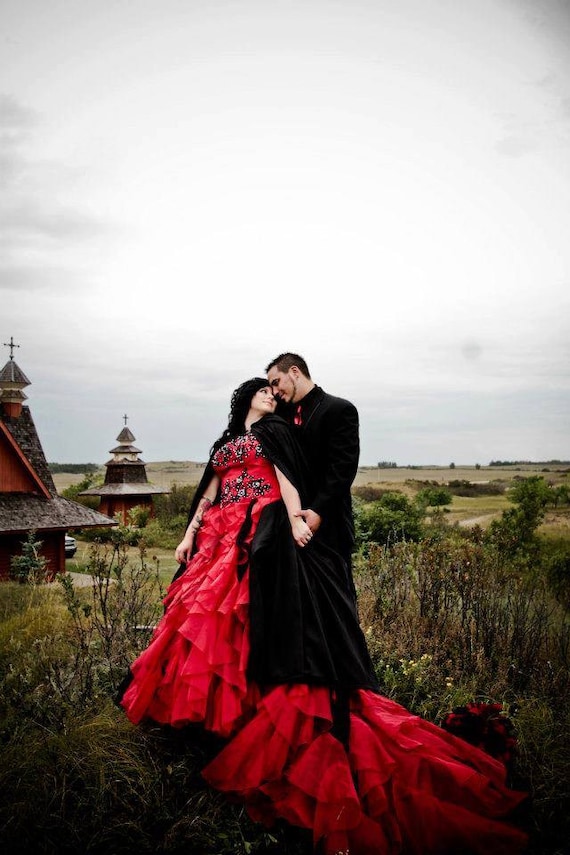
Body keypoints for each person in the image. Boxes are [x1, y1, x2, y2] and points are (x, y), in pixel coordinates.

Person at [118, 378, 528, 855]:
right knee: (202, 620)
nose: (271, 395)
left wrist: (295, 518)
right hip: (217, 531)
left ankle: (253, 706)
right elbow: (208, 493)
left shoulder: (274, 432)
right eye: (263, 390)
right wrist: (190, 534)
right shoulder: (227, 443)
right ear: (244, 396)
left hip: (259, 526)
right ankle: (205, 723)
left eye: (276, 390)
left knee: (243, 617)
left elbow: (287, 477)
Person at [265, 353, 359, 597]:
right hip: (287, 524)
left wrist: (318, 511)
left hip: (330, 524)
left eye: (276, 382)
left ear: (295, 372)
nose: (274, 391)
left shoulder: (340, 409)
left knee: (336, 600)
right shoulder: (279, 417)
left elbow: (343, 469)